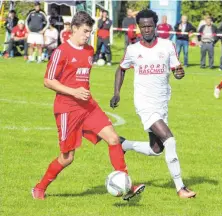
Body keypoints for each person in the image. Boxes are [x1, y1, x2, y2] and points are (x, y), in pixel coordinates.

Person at [32, 11, 145, 201]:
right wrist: (73, 91)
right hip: (67, 109)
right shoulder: (61, 52)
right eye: (85, 31)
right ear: (74, 29)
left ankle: (127, 186)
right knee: (67, 158)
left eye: (89, 32)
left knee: (113, 139)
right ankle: (39, 188)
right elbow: (48, 81)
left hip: (88, 107)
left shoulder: (89, 51)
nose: (87, 35)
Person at [110, 9, 196, 199]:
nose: (147, 29)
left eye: (150, 26)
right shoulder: (133, 49)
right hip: (144, 103)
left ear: (155, 26)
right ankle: (181, 188)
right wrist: (117, 93)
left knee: (156, 150)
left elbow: (177, 70)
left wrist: (179, 74)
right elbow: (121, 69)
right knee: (170, 140)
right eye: (143, 26)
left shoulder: (167, 46)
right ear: (139, 27)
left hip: (162, 102)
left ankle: (124, 145)